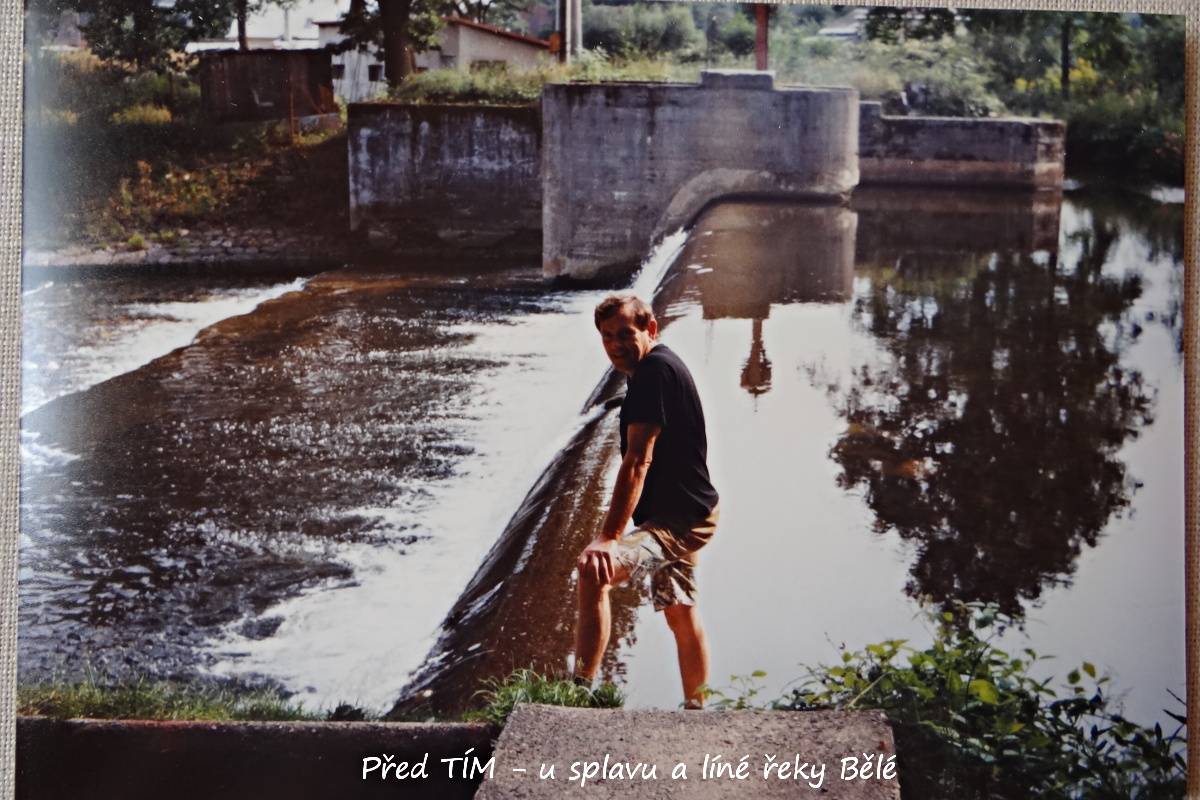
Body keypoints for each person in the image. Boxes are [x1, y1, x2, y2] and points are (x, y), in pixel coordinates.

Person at [573, 294, 720, 709]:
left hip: (677, 523)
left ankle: (578, 695)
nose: (615, 345)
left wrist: (609, 537)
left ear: (650, 328)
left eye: (624, 334)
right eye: (607, 337)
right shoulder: (654, 367)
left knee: (594, 571)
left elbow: (638, 460)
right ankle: (697, 709)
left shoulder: (653, 373)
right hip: (689, 511)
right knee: (680, 610)